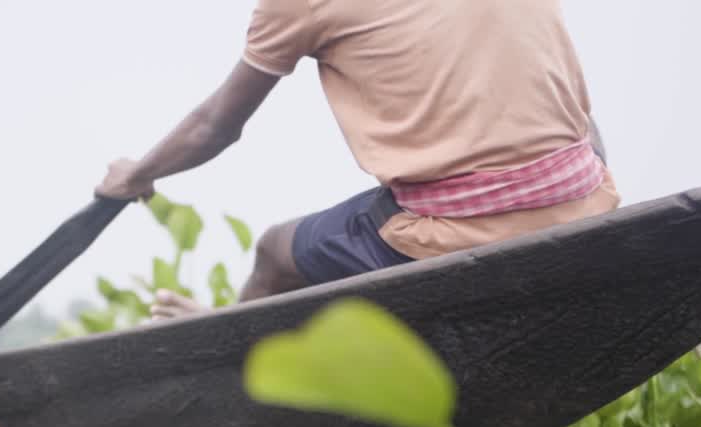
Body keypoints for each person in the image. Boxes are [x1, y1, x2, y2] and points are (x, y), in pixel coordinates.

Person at [96, 0, 620, 319]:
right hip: (585, 198)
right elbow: (577, 103)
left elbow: (217, 126)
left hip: (452, 228)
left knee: (277, 252)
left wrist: (135, 176)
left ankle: (234, 353)